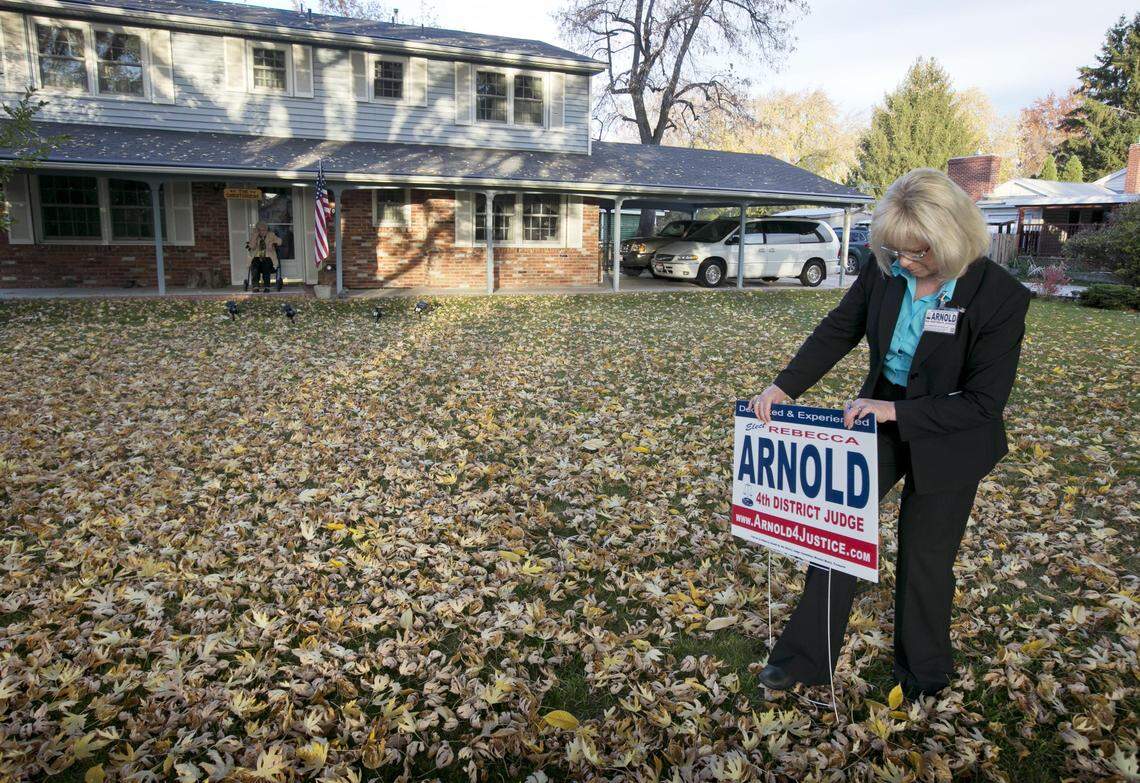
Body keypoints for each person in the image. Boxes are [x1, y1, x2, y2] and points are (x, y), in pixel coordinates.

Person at [747, 168, 1031, 699]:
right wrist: (784, 387)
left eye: (916, 252)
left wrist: (895, 413)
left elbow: (984, 404)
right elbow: (840, 327)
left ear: (951, 239)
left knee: (925, 555)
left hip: (952, 434)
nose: (903, 262)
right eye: (894, 250)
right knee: (834, 532)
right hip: (879, 415)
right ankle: (804, 659)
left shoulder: (1000, 297)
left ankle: (923, 674)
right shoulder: (885, 269)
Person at [245, 222, 281, 293]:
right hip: (256, 257)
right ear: (257, 230)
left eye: (265, 230)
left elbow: (280, 241)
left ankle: (267, 286)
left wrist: (273, 243)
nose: (263, 232)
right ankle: (255, 286)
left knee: (265, 264)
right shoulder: (255, 236)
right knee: (254, 265)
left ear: (267, 230)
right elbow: (251, 246)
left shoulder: (271, 235)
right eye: (260, 230)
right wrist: (255, 237)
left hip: (268, 258)